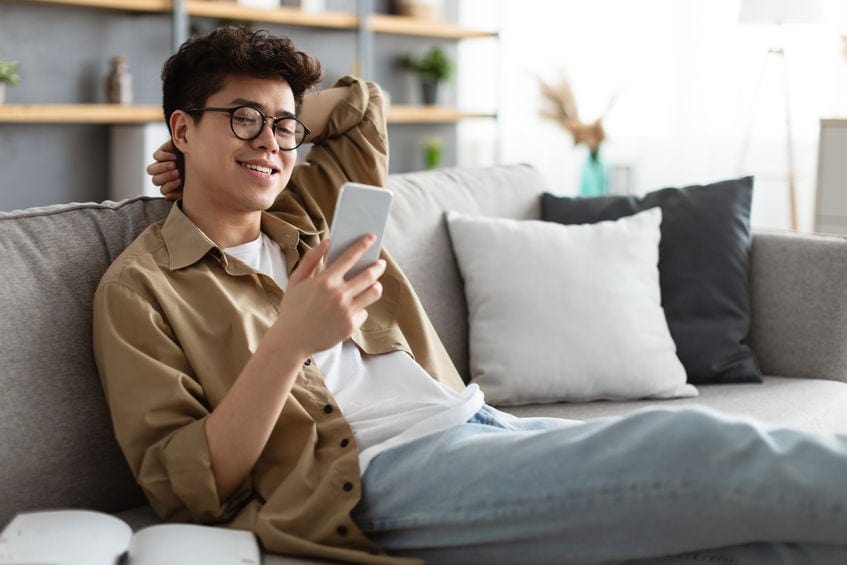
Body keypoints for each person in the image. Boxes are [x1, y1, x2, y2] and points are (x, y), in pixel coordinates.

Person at [96, 26, 847, 564]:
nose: (269, 142)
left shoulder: (307, 213)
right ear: (180, 128)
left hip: (478, 424)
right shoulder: (141, 289)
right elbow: (185, 485)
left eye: (283, 127)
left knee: (759, 542)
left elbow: (361, 106)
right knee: (698, 445)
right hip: (375, 476)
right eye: (242, 120)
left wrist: (278, 116)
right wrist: (291, 340)